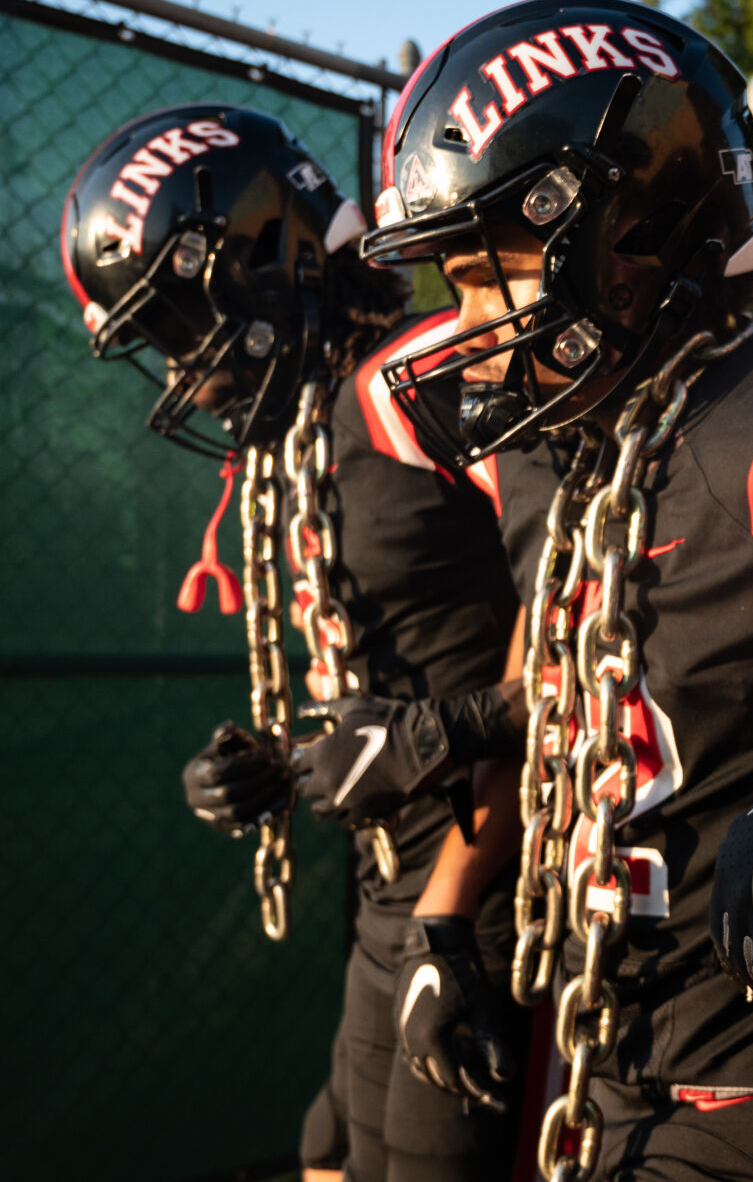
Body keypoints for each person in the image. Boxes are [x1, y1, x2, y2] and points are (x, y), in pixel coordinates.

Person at [357, 0, 753, 1180]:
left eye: (495, 279)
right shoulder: (556, 455)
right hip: (609, 1048)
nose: (465, 331)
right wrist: (443, 915)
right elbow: (558, 689)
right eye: (456, 287)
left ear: (639, 233)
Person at [61, 104, 537, 1182]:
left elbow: (577, 603)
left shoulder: (416, 377)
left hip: (490, 884)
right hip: (390, 893)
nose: (188, 370)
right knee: (329, 1158)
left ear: (257, 263)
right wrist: (280, 759)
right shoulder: (308, 428)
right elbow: (381, 669)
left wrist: (453, 899)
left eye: (181, 326)